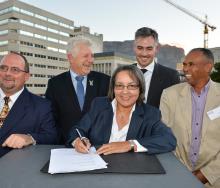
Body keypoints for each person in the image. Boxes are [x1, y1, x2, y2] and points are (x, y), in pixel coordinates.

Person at [67, 65, 176, 155]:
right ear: (113, 88)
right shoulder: (99, 105)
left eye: (132, 86)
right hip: (97, 170)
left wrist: (129, 144)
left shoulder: (151, 113)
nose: (125, 92)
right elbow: (77, 130)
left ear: (140, 89)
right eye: (119, 85)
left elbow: (168, 139)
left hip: (131, 173)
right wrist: (78, 140)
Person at [160, 48, 220, 188]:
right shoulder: (169, 95)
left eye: (190, 64)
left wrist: (203, 175)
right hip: (177, 178)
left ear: (208, 67)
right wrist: (181, 174)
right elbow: (163, 136)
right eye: (184, 64)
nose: (184, 69)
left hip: (215, 180)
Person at [45, 38, 110, 144]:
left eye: (92, 56)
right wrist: (71, 140)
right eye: (86, 56)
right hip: (67, 148)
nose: (91, 60)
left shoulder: (105, 81)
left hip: (98, 148)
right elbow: (51, 120)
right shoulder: (55, 84)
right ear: (70, 58)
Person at [0, 52, 57, 157]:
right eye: (3, 68)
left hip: (14, 169)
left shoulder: (42, 106)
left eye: (15, 70)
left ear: (26, 76)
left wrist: (29, 138)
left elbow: (52, 137)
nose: (7, 73)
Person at [134, 27, 180, 108]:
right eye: (140, 48)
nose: (144, 54)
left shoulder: (171, 77)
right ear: (134, 48)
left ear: (156, 49)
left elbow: (174, 109)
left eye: (149, 48)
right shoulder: (123, 73)